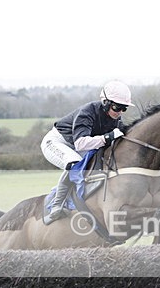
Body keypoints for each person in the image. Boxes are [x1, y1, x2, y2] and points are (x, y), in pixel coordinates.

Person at [40, 80, 134, 225]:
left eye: (124, 108)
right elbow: (81, 143)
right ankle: (56, 205)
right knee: (75, 164)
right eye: (117, 107)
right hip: (56, 142)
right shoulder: (87, 112)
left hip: (76, 146)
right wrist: (106, 137)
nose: (120, 112)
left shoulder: (114, 117)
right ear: (106, 103)